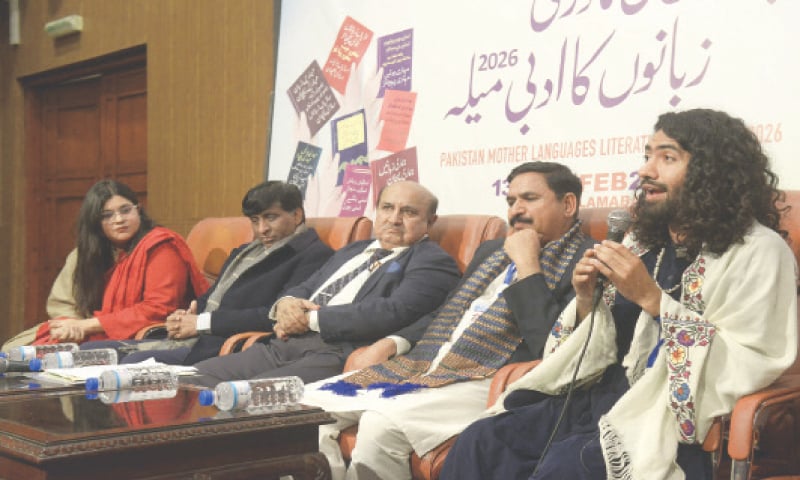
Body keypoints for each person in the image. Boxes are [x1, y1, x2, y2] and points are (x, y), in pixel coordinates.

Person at [441, 109, 798, 480]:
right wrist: (586, 300)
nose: (646, 170)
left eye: (667, 157)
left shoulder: (758, 251)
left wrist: (653, 301)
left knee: (568, 466)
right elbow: (598, 350)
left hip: (660, 416)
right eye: (647, 156)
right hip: (595, 399)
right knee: (482, 441)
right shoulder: (642, 242)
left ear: (713, 171)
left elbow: (750, 360)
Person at [301, 161, 595, 480]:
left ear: (568, 204)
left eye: (529, 199)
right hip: (430, 362)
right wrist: (394, 342)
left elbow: (552, 345)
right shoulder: (492, 250)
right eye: (511, 201)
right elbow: (445, 312)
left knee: (381, 424)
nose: (517, 210)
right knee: (304, 412)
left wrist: (527, 265)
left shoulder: (587, 261)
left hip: (489, 376)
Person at [185, 180, 461, 386]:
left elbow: (393, 312)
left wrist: (309, 319)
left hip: (335, 353)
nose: (394, 219)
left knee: (246, 399)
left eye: (408, 212)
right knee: (189, 383)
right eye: (387, 208)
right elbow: (307, 286)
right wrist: (286, 305)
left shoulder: (431, 260)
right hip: (284, 343)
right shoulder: (354, 250)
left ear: (430, 221)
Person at [82, 181, 335, 365]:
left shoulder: (313, 255)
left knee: (132, 362)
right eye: (255, 220)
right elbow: (213, 295)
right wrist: (186, 316)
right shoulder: (246, 251)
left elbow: (273, 314)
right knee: (92, 353)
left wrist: (201, 323)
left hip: (226, 346)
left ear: (297, 215)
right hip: (195, 337)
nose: (262, 229)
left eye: (271, 218)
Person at [29, 179, 209, 345]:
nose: (119, 220)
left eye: (125, 210)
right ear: (95, 223)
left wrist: (87, 326)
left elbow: (158, 309)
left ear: (138, 210)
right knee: (26, 350)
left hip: (147, 337)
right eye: (107, 215)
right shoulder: (88, 254)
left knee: (69, 354)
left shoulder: (161, 248)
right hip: (94, 331)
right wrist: (72, 326)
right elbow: (64, 303)